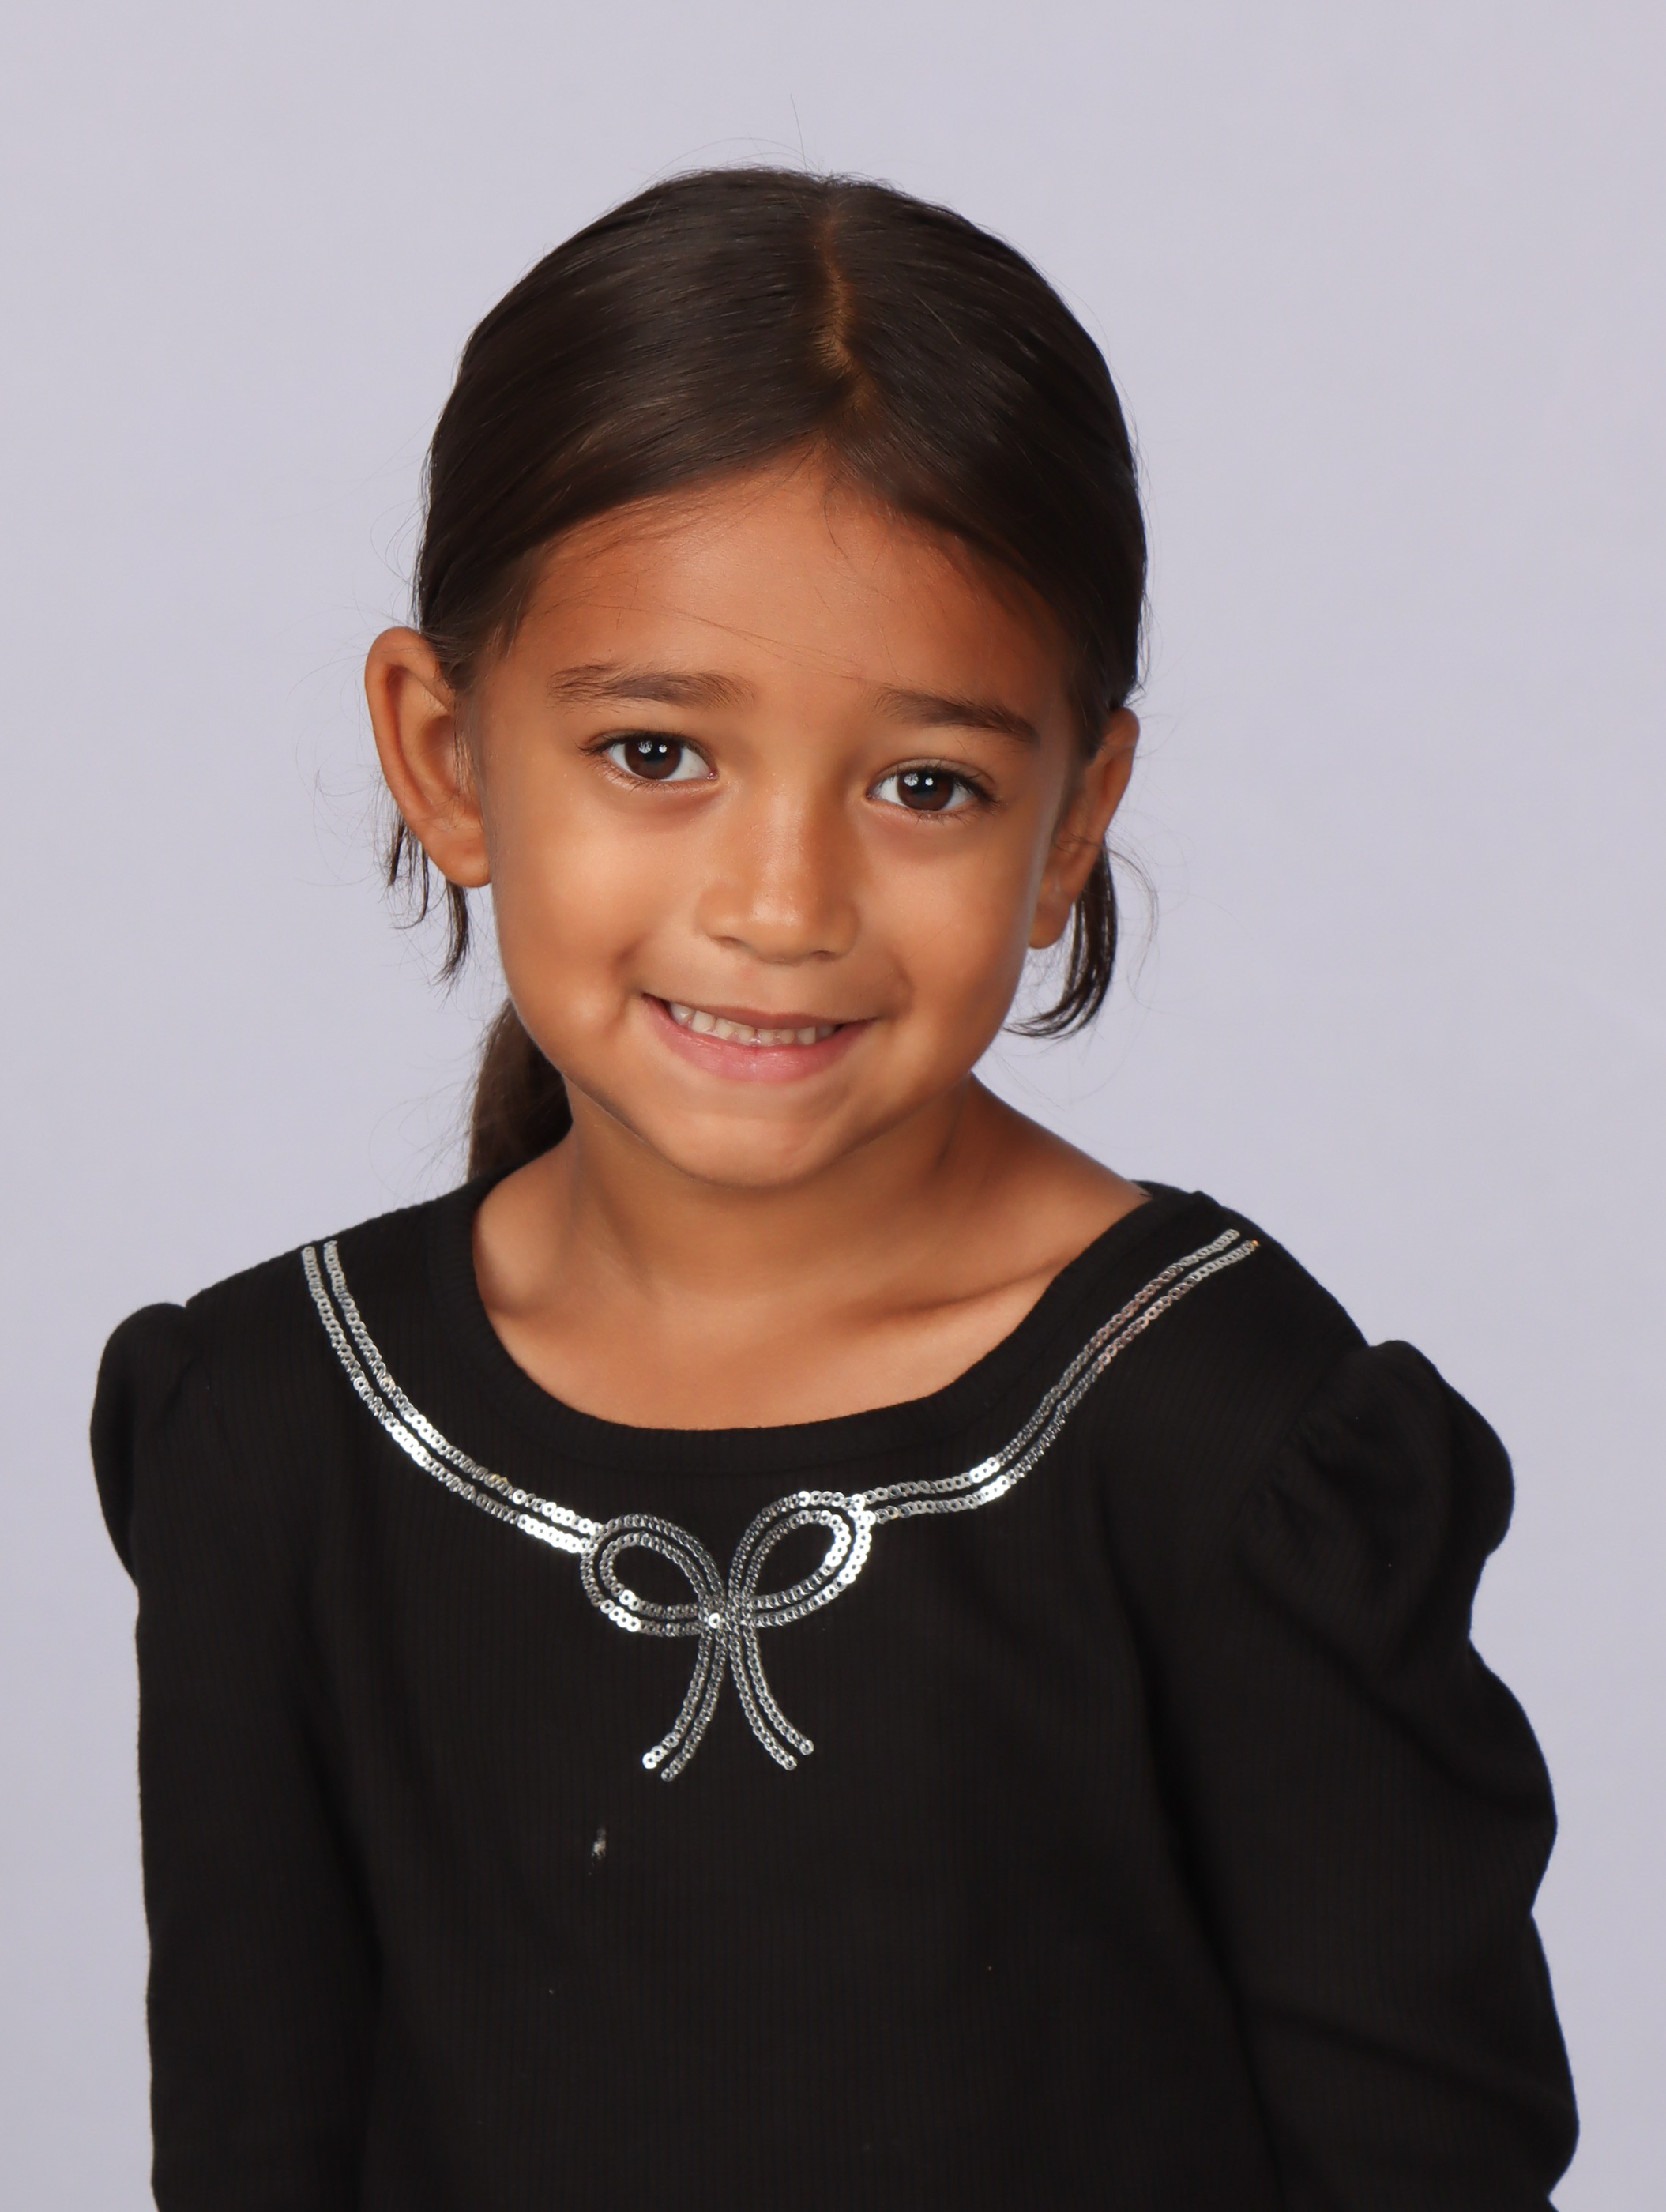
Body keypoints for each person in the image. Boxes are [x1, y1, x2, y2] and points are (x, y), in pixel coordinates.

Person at [92, 167, 1575, 2209]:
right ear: (443, 754)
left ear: (1075, 823)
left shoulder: (1230, 1442)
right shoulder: (275, 1432)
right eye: (655, 753)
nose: (781, 904)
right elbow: (252, 2145)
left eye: (925, 785)